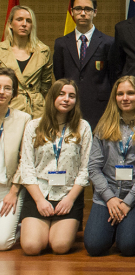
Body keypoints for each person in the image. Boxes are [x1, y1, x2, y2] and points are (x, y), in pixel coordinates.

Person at [84, 76, 135, 257]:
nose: (125, 98)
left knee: (128, 247)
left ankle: (126, 228)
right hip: (106, 196)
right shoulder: (103, 126)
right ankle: (112, 228)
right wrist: (110, 199)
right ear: (114, 97)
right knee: (94, 247)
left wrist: (128, 202)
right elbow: (93, 167)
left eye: (130, 93)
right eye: (120, 94)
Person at [19, 79, 92, 255]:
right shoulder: (33, 126)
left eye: (71, 96)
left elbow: (85, 169)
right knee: (31, 247)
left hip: (68, 195)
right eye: (61, 94)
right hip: (39, 193)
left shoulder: (83, 127)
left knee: (60, 246)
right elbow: (26, 167)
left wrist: (70, 199)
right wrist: (39, 200)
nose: (66, 99)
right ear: (52, 97)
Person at [53, 0, 114, 127]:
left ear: (95, 12)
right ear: (72, 11)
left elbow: (112, 76)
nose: (83, 13)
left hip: (99, 108)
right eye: (78, 9)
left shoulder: (108, 43)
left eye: (87, 9)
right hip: (70, 106)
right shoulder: (61, 43)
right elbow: (59, 76)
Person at [0, 5, 52, 119]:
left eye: (28, 21)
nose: (24, 24)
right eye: (19, 20)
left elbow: (46, 87)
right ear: (10, 24)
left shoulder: (43, 51)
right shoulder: (1, 50)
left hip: (36, 110)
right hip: (8, 107)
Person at [0, 68, 30, 251]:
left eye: (7, 88)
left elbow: (25, 160)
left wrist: (13, 191)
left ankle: (18, 228)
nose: (1, 92)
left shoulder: (24, 119)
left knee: (2, 243)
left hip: (9, 190)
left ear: (14, 93)